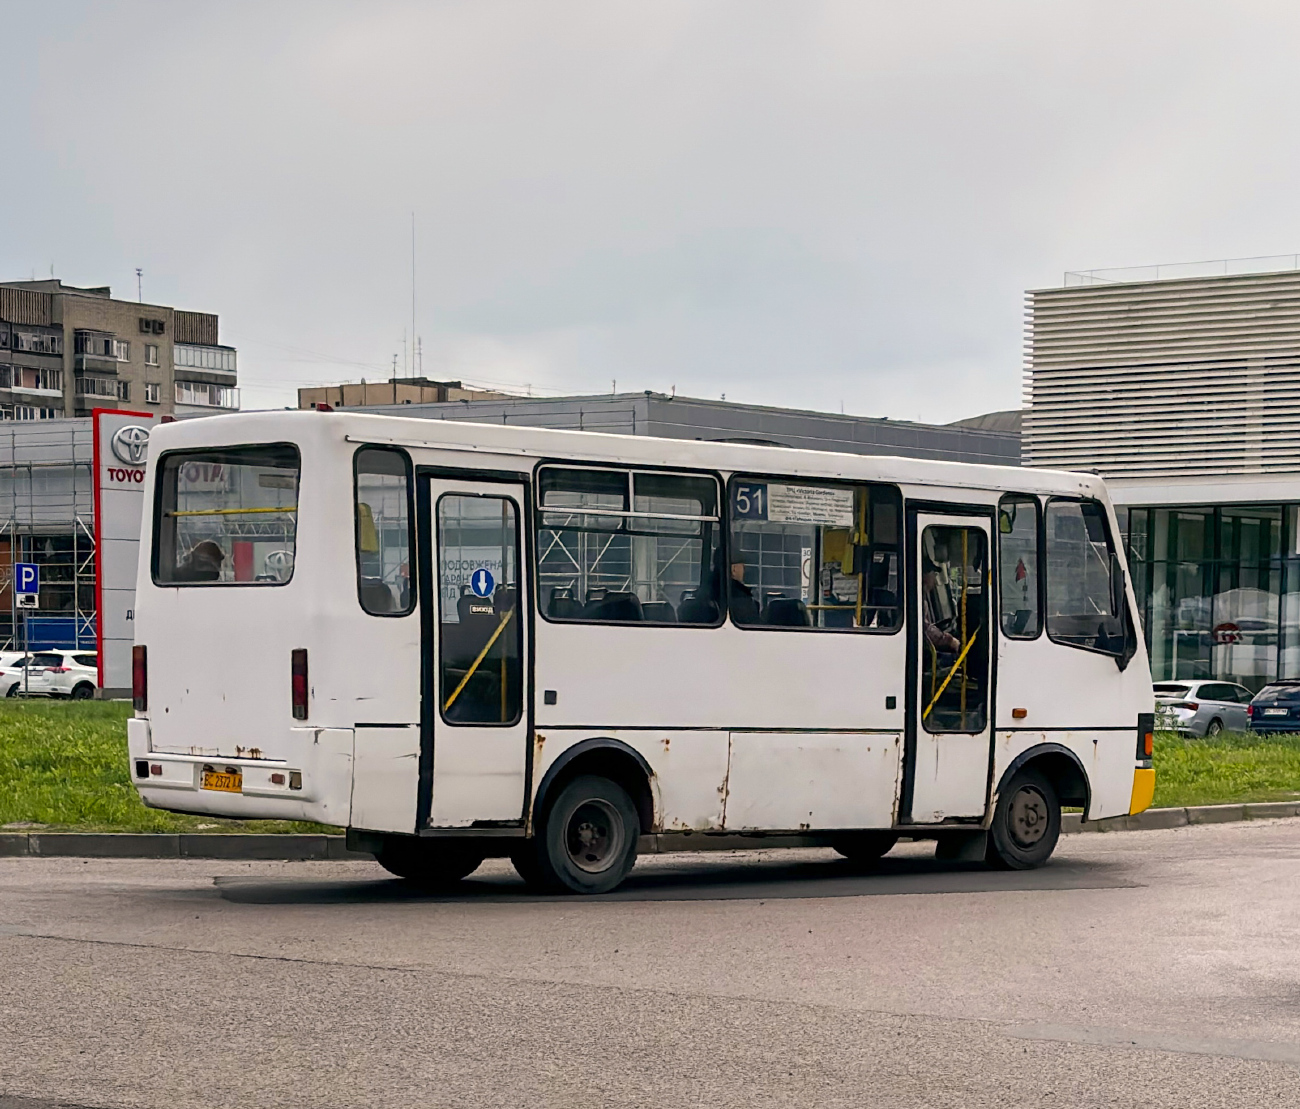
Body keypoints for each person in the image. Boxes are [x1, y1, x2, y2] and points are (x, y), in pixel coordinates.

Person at [922, 559, 960, 653]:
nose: (935, 579)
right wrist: (949, 640)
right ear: (924, 575)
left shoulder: (921, 598)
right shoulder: (918, 601)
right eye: (933, 574)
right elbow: (926, 630)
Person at [727, 558, 761, 624]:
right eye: (742, 566)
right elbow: (754, 626)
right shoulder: (740, 597)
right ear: (734, 569)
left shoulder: (711, 589)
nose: (744, 571)